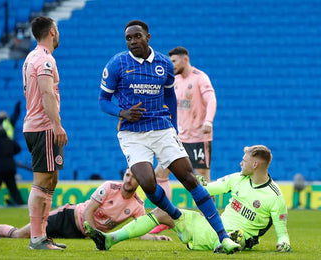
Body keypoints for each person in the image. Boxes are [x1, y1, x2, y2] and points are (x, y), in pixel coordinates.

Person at [97, 19, 240, 253]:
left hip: (162, 130)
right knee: (148, 183)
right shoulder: (117, 64)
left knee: (190, 179)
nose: (133, 41)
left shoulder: (163, 63)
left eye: (137, 37)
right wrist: (122, 112)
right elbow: (103, 101)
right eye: (128, 38)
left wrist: (172, 123)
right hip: (132, 134)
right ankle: (175, 217)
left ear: (148, 37)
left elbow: (170, 96)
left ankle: (223, 237)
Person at [84, 145, 292, 253]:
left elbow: (282, 233)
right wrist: (199, 182)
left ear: (255, 164)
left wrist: (283, 242)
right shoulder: (237, 179)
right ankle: (110, 239)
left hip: (230, 236)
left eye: (245, 160)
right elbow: (208, 188)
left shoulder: (275, 197)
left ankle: (233, 242)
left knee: (240, 236)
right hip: (209, 227)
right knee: (161, 212)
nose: (240, 163)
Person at [0, 169, 171, 242]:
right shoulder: (109, 187)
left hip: (81, 235)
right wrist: (96, 234)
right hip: (68, 217)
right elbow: (88, 211)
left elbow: (138, 231)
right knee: (21, 235)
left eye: (133, 178)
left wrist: (155, 237)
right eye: (126, 174)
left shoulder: (137, 205)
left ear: (140, 182)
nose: (128, 180)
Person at [150, 46, 217, 234]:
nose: (172, 65)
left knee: (203, 182)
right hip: (177, 137)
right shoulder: (174, 81)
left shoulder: (199, 78)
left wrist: (208, 121)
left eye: (174, 61)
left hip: (198, 137)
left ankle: (210, 222)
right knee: (160, 174)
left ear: (185, 59)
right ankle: (166, 215)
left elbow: (211, 100)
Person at [22, 16, 68, 250]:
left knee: (50, 180)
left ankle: (42, 236)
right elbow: (47, 93)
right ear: (51, 32)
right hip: (43, 127)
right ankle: (37, 238)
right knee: (42, 181)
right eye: (57, 30)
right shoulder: (44, 60)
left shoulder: (32, 57)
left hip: (37, 125)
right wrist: (57, 125)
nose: (58, 34)